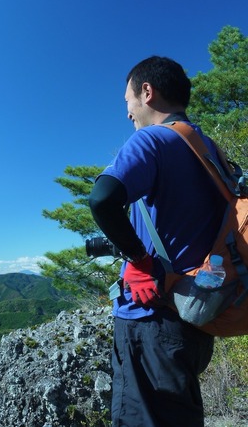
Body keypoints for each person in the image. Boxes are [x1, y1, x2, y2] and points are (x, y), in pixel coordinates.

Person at [88, 56, 228, 427]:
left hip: (149, 320)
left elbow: (102, 198)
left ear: (147, 92)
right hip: (195, 318)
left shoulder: (152, 139)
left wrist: (137, 260)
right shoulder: (208, 149)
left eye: (128, 102)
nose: (128, 113)